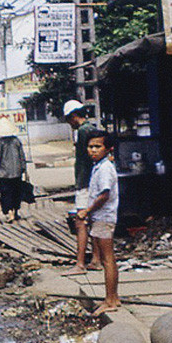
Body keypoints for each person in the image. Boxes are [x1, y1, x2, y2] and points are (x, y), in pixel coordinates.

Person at [78, 132, 120, 313]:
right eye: (90, 147)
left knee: (108, 259)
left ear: (108, 148)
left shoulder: (105, 169)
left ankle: (110, 300)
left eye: (97, 147)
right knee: (105, 259)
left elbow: (104, 195)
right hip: (100, 217)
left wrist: (87, 211)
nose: (93, 150)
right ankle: (113, 297)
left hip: (104, 217)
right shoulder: (98, 166)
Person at [64, 100, 103, 270]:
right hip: (92, 180)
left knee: (80, 222)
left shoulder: (82, 131)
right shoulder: (92, 129)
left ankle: (80, 263)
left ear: (73, 116)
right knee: (93, 221)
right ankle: (95, 259)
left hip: (85, 181)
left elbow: (87, 159)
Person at [0, 118, 27, 222]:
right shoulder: (16, 140)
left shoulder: (0, 142)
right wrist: (23, 168)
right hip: (17, 172)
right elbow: (22, 156)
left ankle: (10, 213)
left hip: (4, 174)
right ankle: (15, 212)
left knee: (6, 194)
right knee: (16, 193)